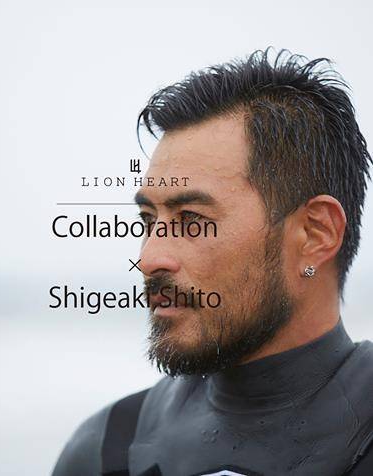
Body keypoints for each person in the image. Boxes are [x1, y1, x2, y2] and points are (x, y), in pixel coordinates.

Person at [51, 49, 373, 475]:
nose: (148, 258)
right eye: (148, 220)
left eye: (192, 220)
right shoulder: (106, 450)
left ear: (315, 235)